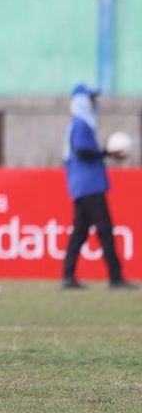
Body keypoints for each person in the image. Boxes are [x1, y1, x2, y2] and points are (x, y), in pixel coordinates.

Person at [61, 83, 134, 290]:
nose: (95, 102)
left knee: (80, 232)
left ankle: (68, 276)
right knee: (105, 230)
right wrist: (107, 154)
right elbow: (82, 152)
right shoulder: (81, 124)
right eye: (91, 98)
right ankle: (116, 278)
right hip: (89, 185)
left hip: (83, 185)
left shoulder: (79, 124)